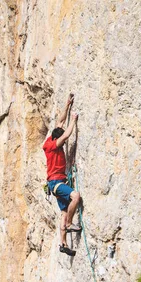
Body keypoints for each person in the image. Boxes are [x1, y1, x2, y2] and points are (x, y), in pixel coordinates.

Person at [42, 93, 82, 256]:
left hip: (55, 184)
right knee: (76, 196)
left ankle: (63, 243)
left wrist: (67, 105)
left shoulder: (50, 139)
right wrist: (74, 120)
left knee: (64, 212)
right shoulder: (54, 146)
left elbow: (59, 122)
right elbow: (66, 135)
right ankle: (70, 224)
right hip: (57, 183)